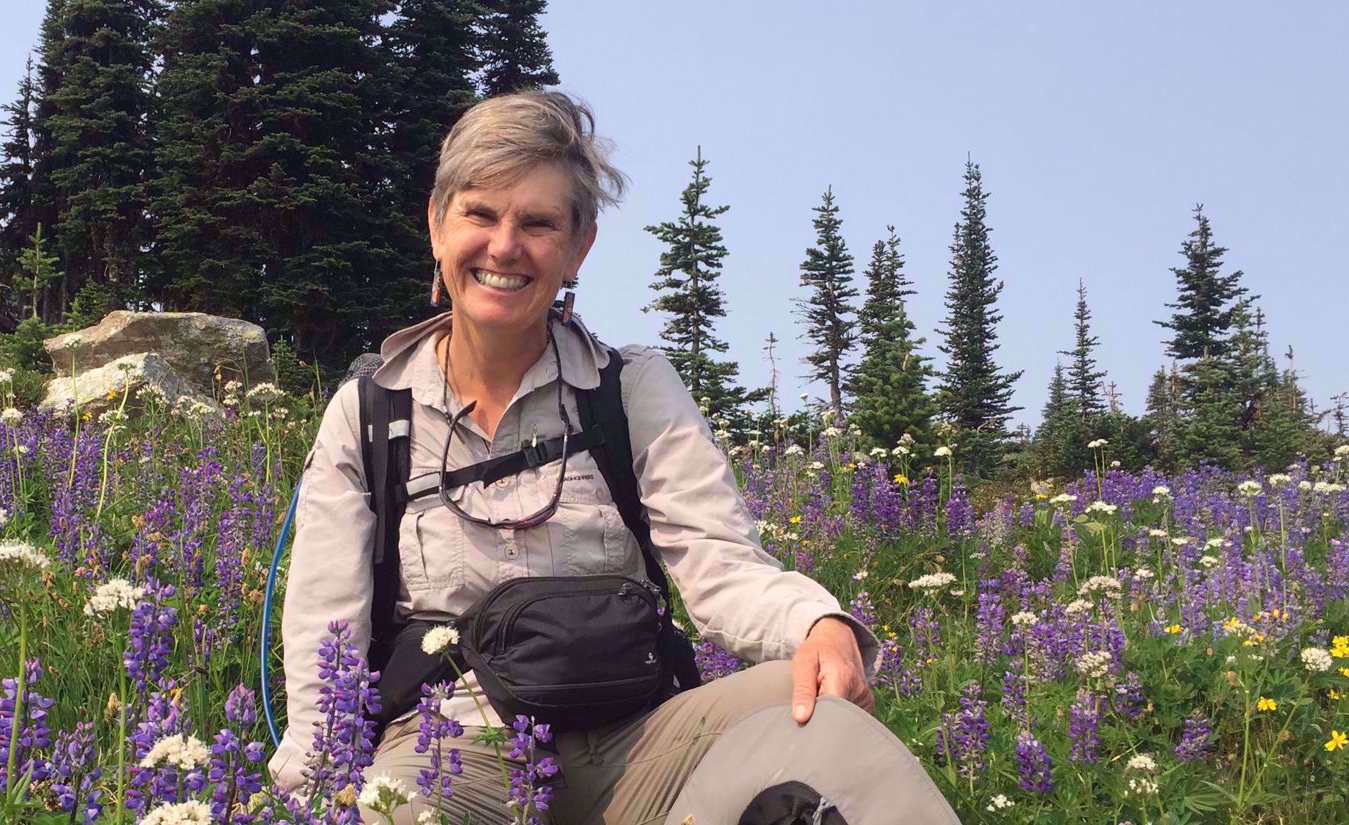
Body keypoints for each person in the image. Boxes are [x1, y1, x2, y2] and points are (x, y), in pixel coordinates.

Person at [270, 90, 957, 825]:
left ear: (578, 247)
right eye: (480, 214)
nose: (505, 246)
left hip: (640, 741)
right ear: (436, 224)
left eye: (538, 222)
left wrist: (819, 623)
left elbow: (721, 566)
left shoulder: (628, 388)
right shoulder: (373, 412)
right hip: (448, 751)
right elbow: (326, 636)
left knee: (821, 715)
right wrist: (315, 786)